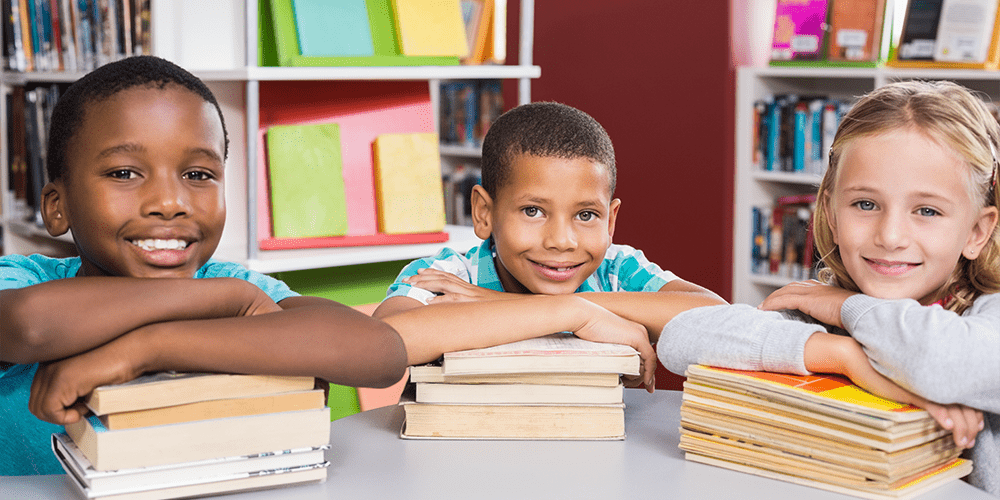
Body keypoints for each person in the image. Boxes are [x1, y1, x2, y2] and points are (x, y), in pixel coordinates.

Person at [0, 57, 651, 476]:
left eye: (199, 174)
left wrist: (150, 345)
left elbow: (372, 352)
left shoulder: (244, 289)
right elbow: (28, 326)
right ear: (55, 207)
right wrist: (221, 303)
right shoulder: (28, 281)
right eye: (124, 172)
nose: (169, 200)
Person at [657, 80, 999, 495]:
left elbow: (945, 361)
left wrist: (845, 308)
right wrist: (843, 355)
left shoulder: (986, 314)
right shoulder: (825, 311)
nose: (890, 236)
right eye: (865, 204)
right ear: (831, 215)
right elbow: (681, 338)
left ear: (977, 232)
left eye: (926, 210)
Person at [374, 102, 727, 389]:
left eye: (586, 215)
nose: (561, 241)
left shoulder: (615, 269)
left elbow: (715, 319)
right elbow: (382, 344)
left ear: (611, 220)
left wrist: (514, 304)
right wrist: (573, 313)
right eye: (533, 211)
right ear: (484, 213)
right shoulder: (448, 275)